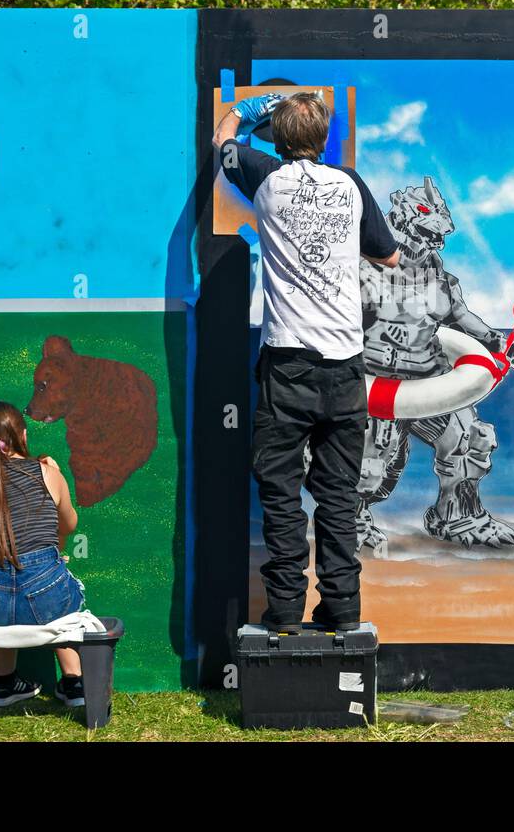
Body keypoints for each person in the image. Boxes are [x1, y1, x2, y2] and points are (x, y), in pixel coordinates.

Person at [212, 90, 400, 633]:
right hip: (345, 367)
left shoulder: (266, 178)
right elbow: (389, 255)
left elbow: (222, 141)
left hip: (288, 366)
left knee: (280, 490)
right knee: (338, 495)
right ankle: (342, 608)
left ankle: (285, 610)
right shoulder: (350, 184)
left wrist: (248, 111)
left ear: (277, 138)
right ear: (322, 139)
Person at [0, 401, 84, 707]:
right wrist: (57, 475)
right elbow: (69, 525)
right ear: (23, 434)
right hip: (46, 600)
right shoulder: (48, 473)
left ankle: (4, 683)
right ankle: (73, 682)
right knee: (53, 577)